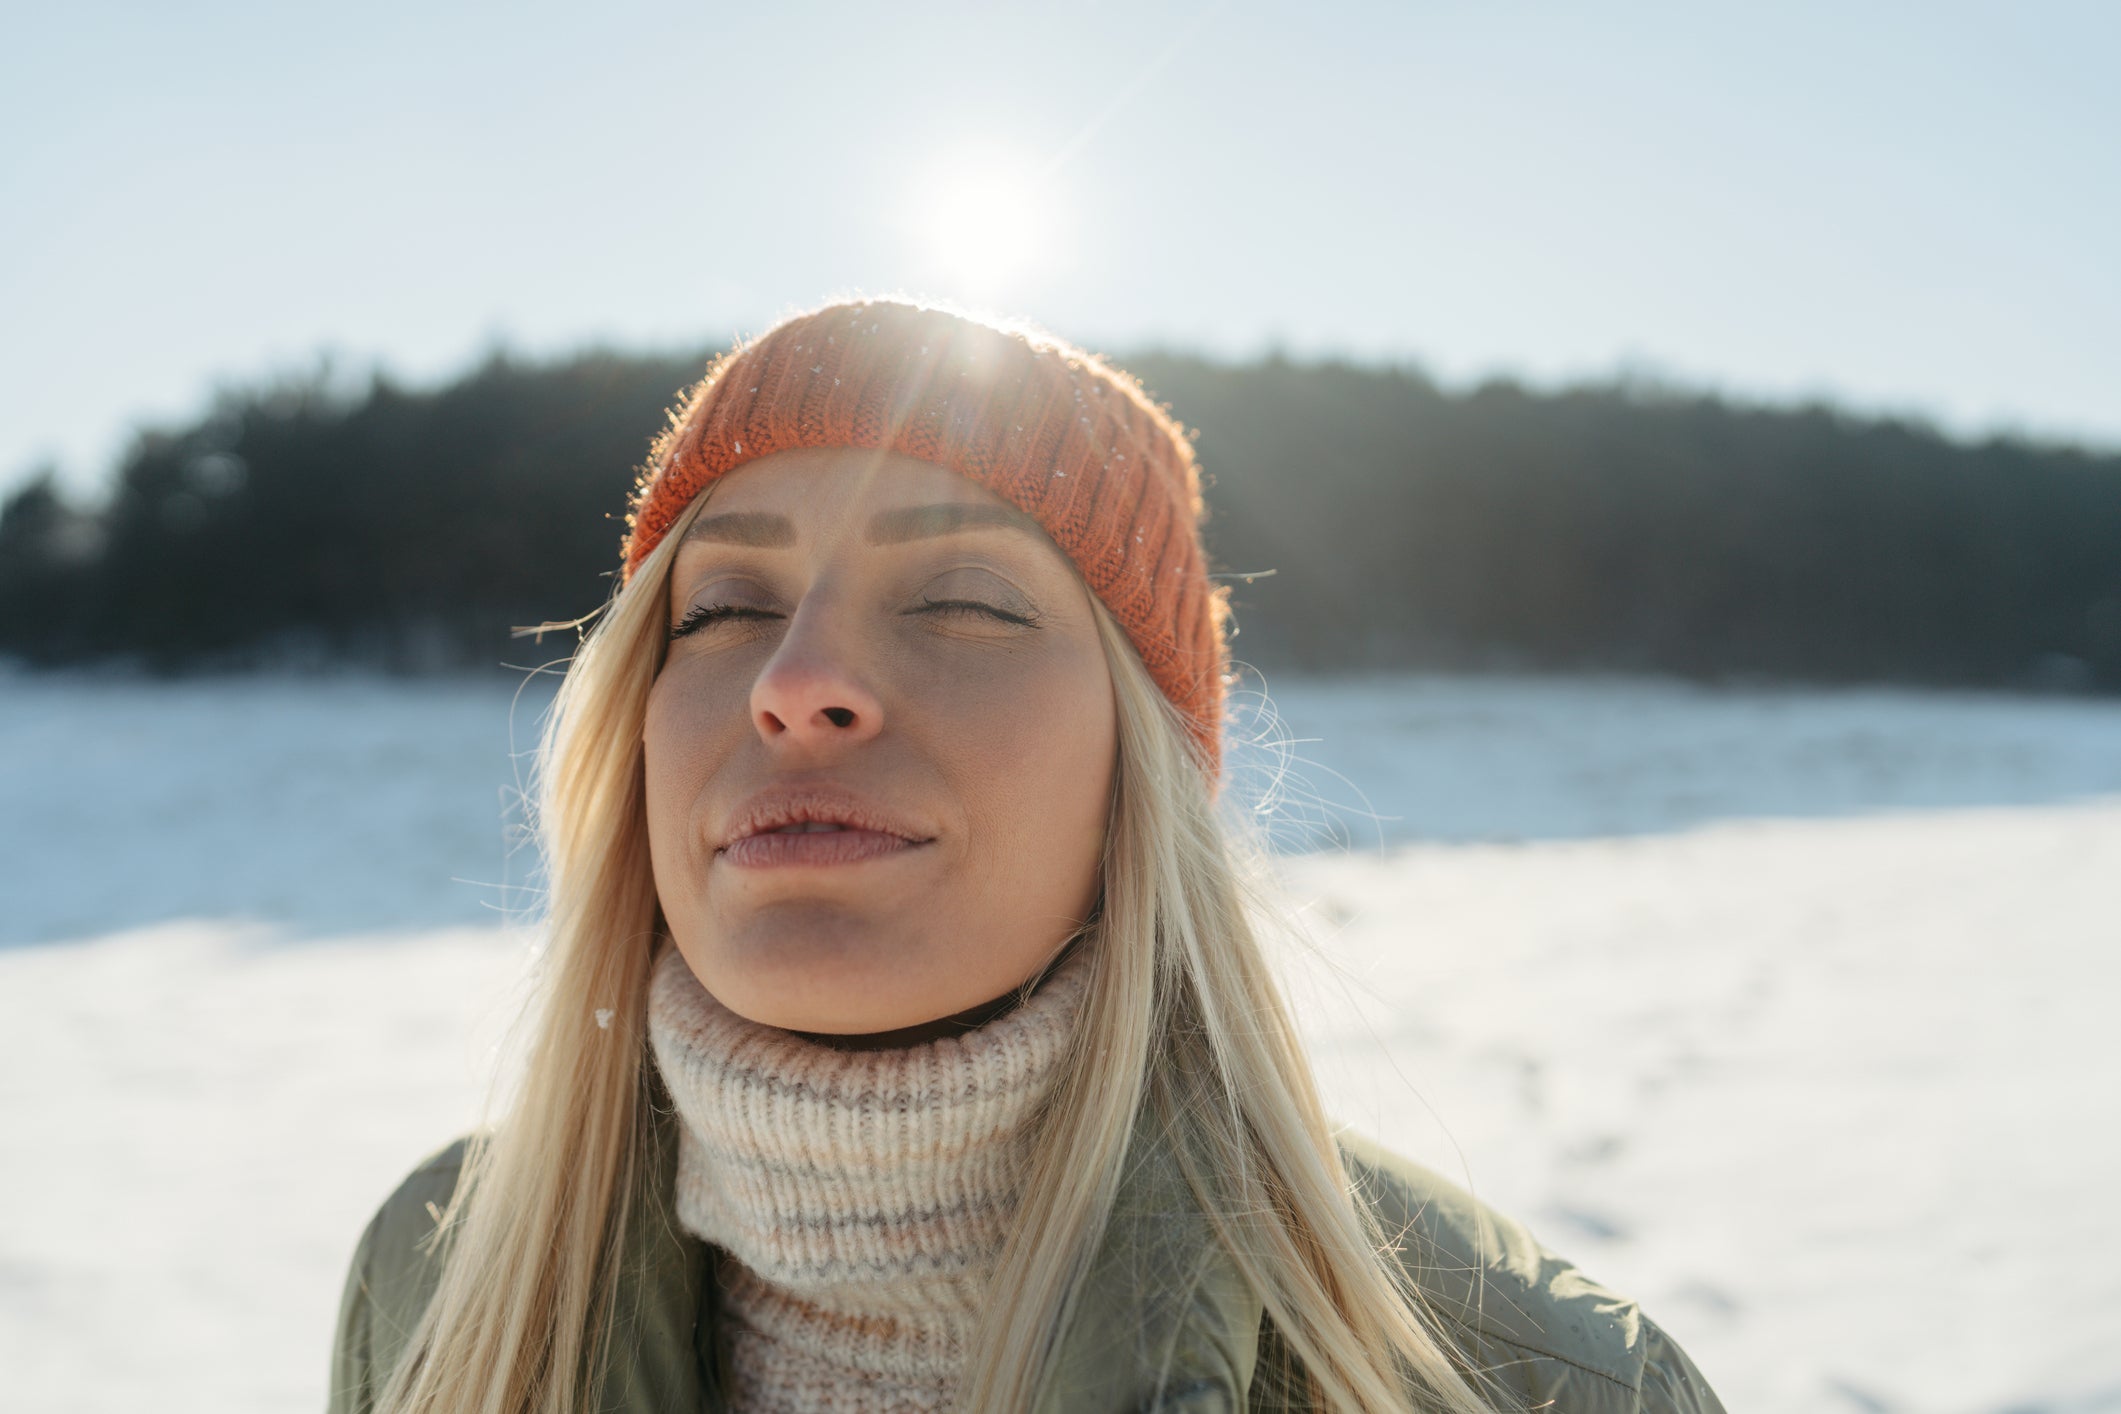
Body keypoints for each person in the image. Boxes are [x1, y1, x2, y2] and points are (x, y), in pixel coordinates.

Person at [327, 298, 1724, 1414]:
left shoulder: (1525, 1381)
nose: (797, 679)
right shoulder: (440, 1275)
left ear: (1143, 775)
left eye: (960, 597)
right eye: (726, 603)